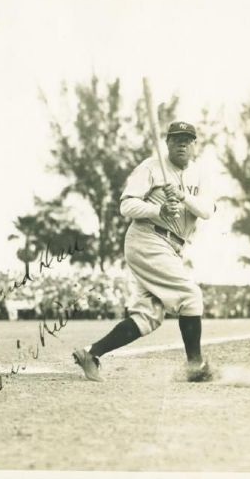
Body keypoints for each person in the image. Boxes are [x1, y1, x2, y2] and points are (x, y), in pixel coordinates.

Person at [73, 121, 215, 382]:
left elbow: (206, 210)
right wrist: (157, 210)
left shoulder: (201, 175)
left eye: (187, 139)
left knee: (148, 317)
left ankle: (91, 354)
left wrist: (182, 197)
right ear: (167, 143)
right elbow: (126, 205)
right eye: (176, 139)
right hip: (148, 238)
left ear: (195, 145)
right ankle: (195, 365)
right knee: (191, 296)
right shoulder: (151, 166)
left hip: (172, 248)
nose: (181, 144)